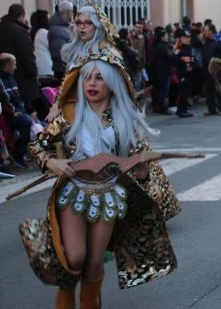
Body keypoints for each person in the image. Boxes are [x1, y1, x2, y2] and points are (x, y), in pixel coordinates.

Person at [22, 53, 178, 309]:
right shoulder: (69, 116)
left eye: (99, 79)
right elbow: (36, 146)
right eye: (87, 78)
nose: (91, 84)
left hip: (109, 196)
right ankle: (65, 298)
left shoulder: (123, 120)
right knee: (74, 258)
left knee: (94, 262)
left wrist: (139, 168)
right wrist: (52, 163)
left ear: (112, 85)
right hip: (74, 193)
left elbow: (141, 163)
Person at [0, 3, 40, 106]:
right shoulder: (20, 31)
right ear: (21, 16)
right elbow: (28, 56)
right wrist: (34, 72)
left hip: (4, 78)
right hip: (22, 79)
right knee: (23, 109)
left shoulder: (2, 28)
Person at [0, 53, 34, 168]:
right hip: (8, 116)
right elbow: (5, 101)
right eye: (14, 64)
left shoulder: (12, 78)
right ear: (8, 65)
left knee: (41, 123)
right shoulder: (1, 80)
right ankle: (18, 153)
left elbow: (18, 99)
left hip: (18, 113)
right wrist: (13, 112)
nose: (16, 67)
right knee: (27, 121)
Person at [200, 23, 221, 116]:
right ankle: (211, 109)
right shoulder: (204, 43)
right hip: (206, 71)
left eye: (206, 31)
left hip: (216, 71)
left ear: (211, 31)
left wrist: (220, 66)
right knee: (209, 90)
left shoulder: (217, 43)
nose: (204, 33)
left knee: (218, 89)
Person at [172, 28, 195, 118]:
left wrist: (192, 67)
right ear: (181, 39)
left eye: (189, 37)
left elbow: (192, 60)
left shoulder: (189, 48)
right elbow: (173, 60)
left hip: (189, 74)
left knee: (186, 92)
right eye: (185, 37)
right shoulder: (179, 49)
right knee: (183, 92)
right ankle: (182, 111)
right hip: (182, 74)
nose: (188, 39)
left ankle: (182, 110)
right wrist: (183, 69)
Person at [48, 1, 73, 80]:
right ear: (68, 12)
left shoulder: (62, 28)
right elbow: (59, 53)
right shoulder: (58, 30)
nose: (72, 14)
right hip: (63, 72)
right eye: (72, 11)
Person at [150, 26, 172, 114]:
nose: (167, 37)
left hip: (156, 72)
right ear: (162, 37)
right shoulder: (163, 47)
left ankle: (157, 107)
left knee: (157, 90)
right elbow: (170, 58)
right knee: (163, 90)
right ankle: (162, 108)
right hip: (163, 72)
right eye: (166, 36)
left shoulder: (155, 46)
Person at [31, 9, 54, 80]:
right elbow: (53, 48)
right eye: (48, 19)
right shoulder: (43, 32)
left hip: (40, 69)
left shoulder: (36, 32)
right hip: (46, 69)